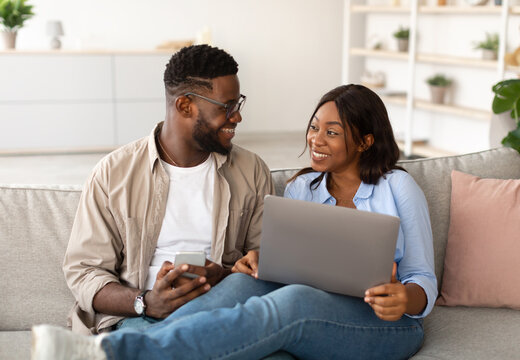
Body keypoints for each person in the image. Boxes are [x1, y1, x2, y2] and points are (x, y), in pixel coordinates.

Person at [32, 84, 436, 360]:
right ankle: (116, 343)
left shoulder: (398, 187)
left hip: (387, 325)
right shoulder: (301, 190)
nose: (316, 139)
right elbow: (287, 270)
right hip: (317, 307)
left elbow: (422, 279)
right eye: (314, 127)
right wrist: (255, 261)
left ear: (365, 141)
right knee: (245, 282)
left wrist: (407, 298)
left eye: (332, 132)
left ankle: (123, 353)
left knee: (292, 303)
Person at [60, 44, 273, 335]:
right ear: (185, 105)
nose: (237, 117)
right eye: (227, 107)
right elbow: (84, 272)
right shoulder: (113, 173)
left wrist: (224, 275)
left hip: (223, 309)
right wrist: (145, 302)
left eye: (238, 104)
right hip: (139, 320)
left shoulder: (252, 171)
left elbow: (267, 262)